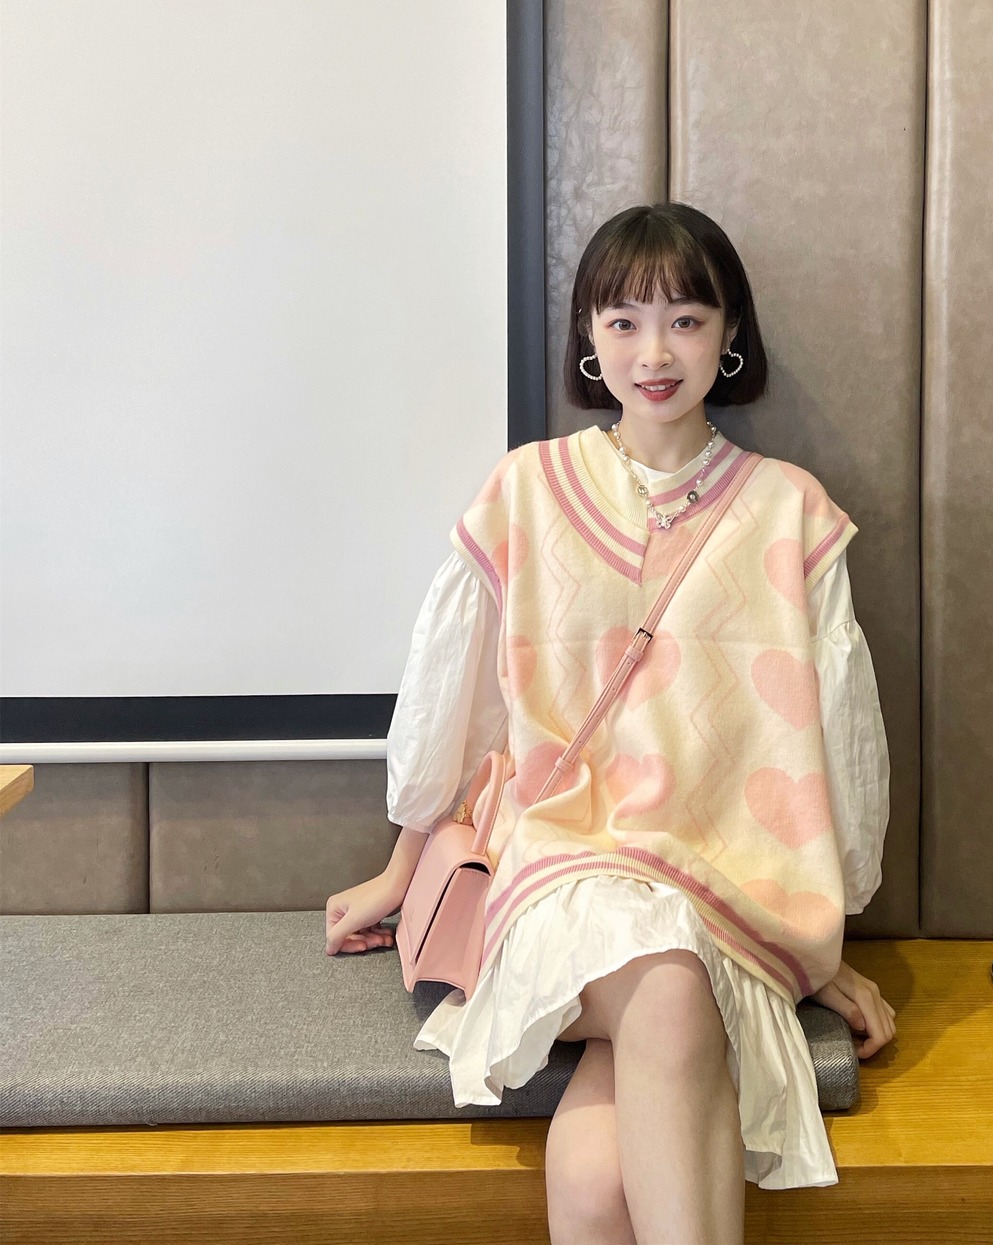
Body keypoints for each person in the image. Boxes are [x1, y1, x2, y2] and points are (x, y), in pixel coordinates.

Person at [325, 201, 894, 1245]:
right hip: (561, 868)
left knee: (597, 1174)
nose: (653, 352)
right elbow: (462, 710)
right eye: (623, 320)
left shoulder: (791, 512)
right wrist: (401, 870)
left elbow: (837, 743)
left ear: (729, 334)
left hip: (730, 881)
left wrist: (827, 933)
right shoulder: (526, 489)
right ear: (588, 335)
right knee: (668, 989)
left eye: (685, 319)